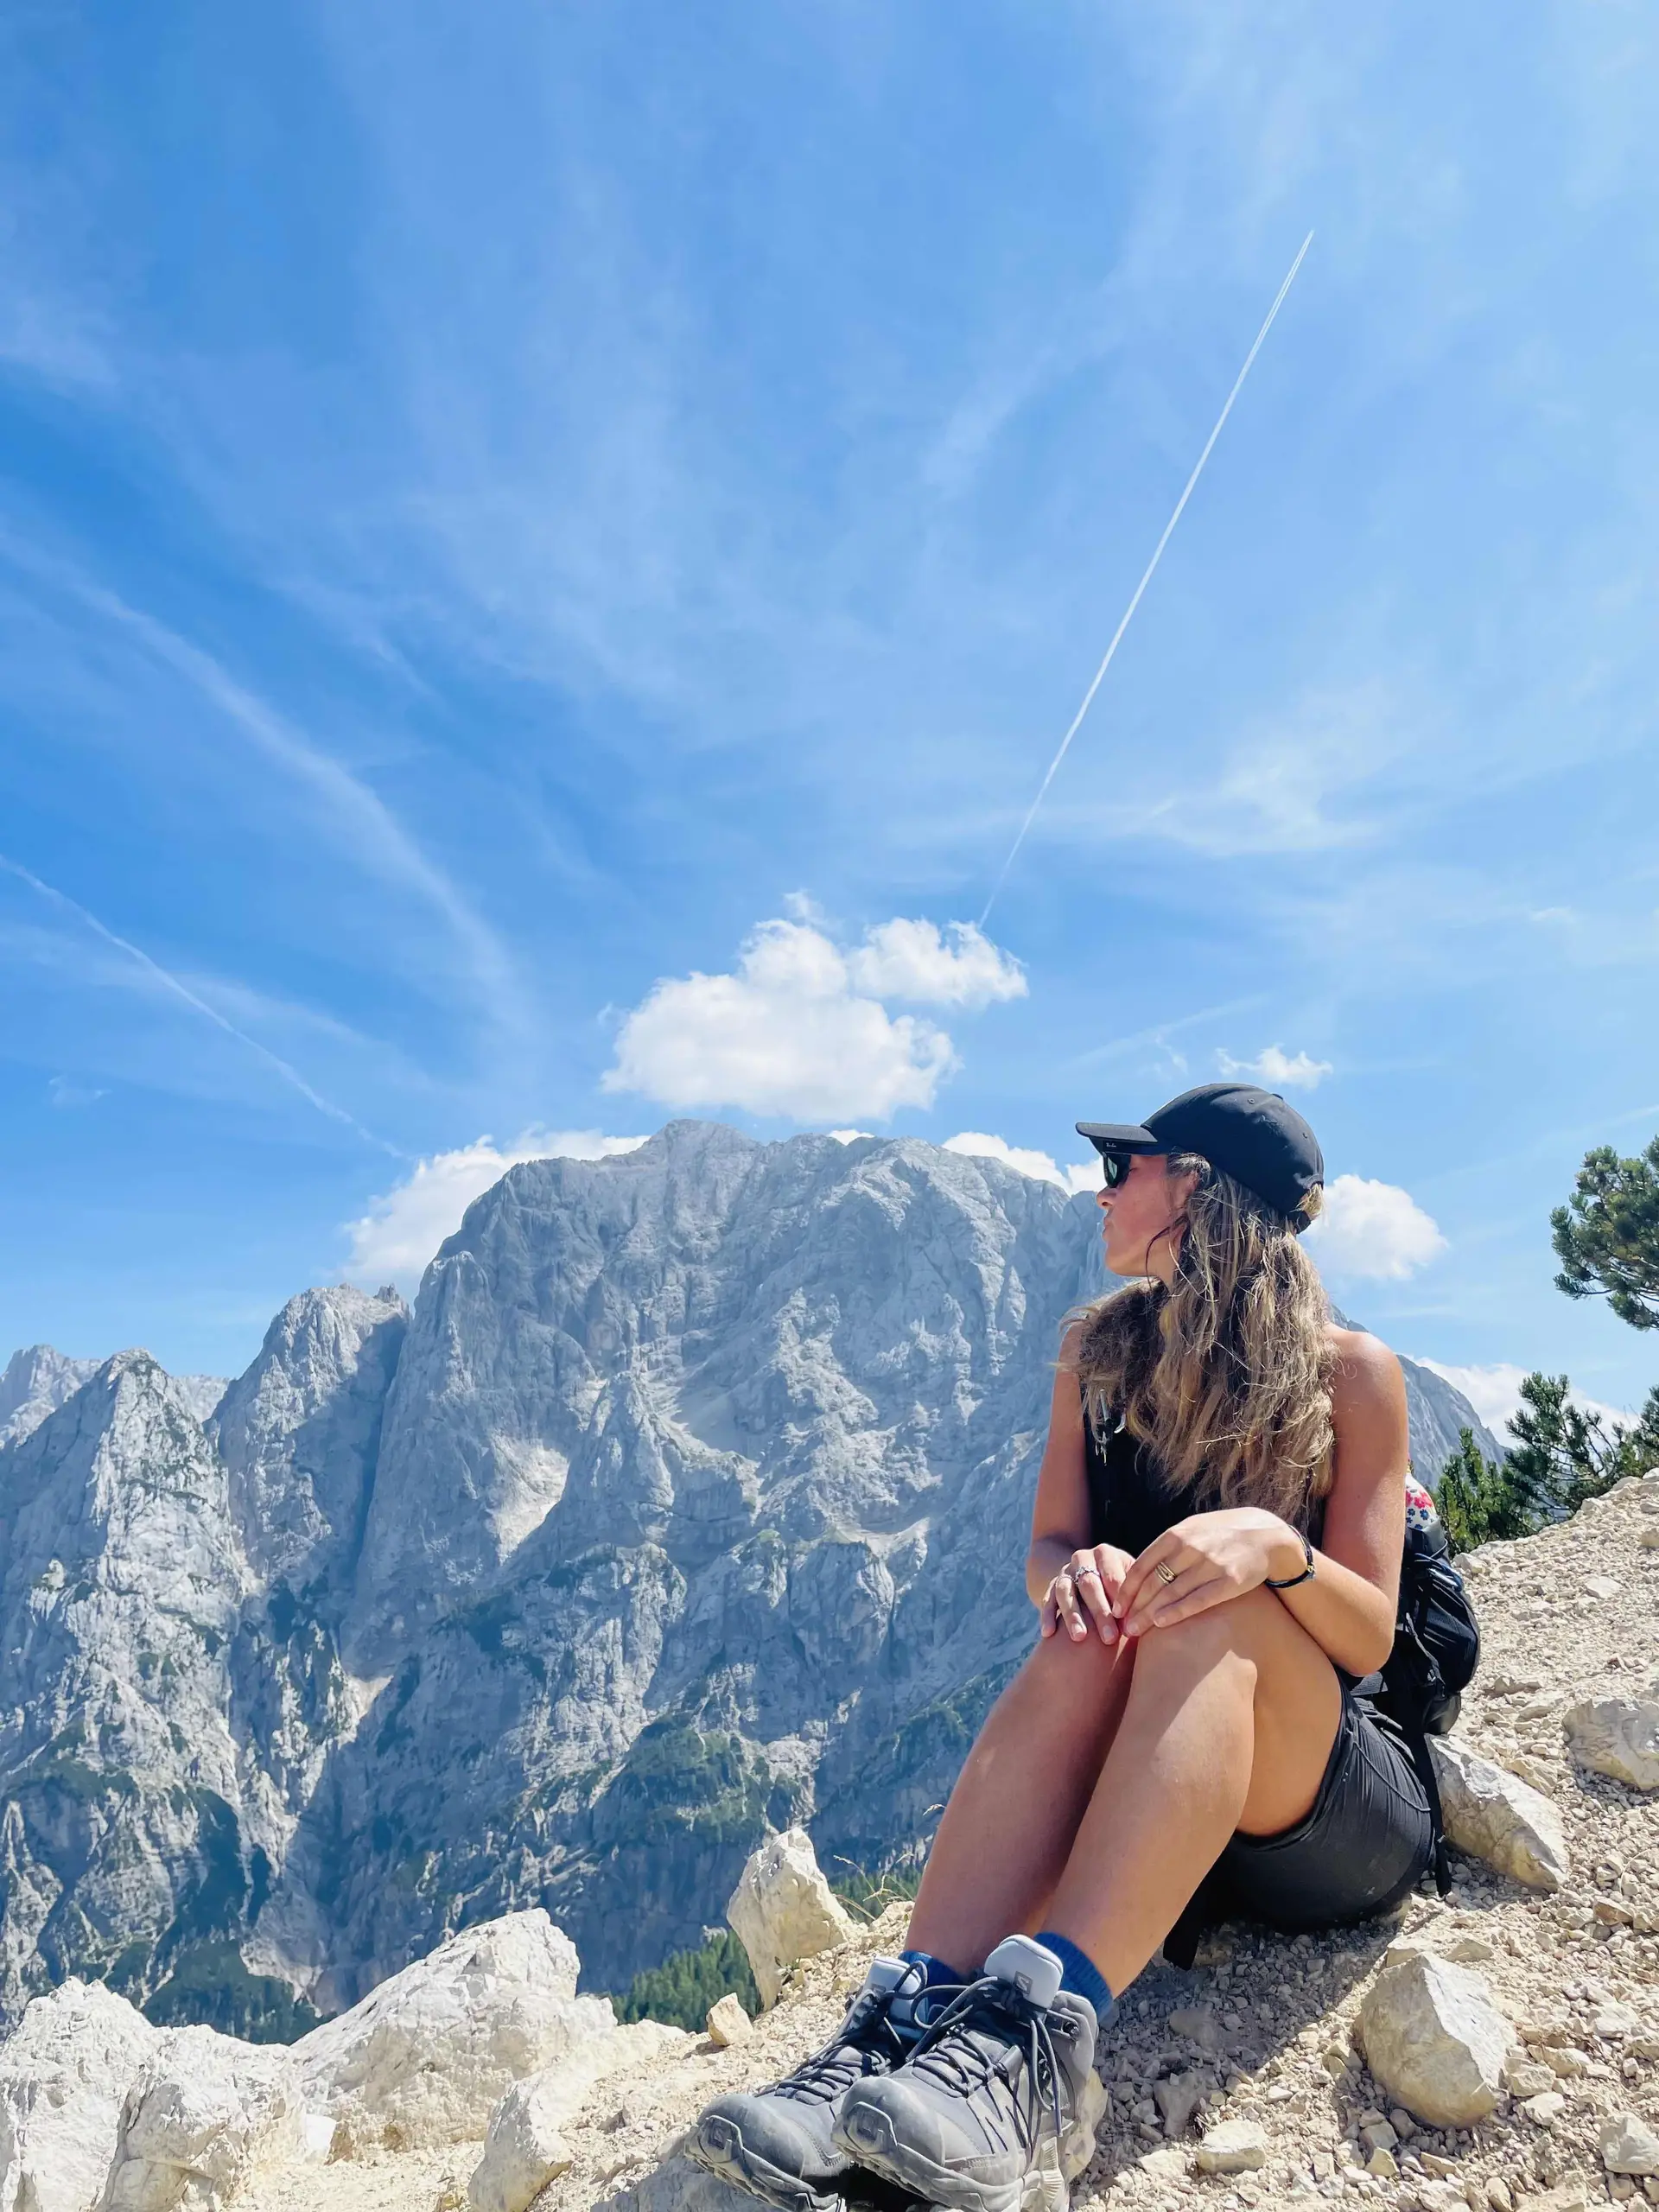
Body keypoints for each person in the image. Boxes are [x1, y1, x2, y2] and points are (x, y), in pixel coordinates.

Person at [690, 1084, 1433, 2212]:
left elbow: (1368, 1632)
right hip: (1170, 1812)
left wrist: (1272, 1549)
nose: (1100, 1193)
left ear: (1196, 1188)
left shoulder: (1352, 1373)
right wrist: (1075, 1573)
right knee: (1092, 1623)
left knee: (1209, 1609)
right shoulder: (1096, 1352)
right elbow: (1047, 1550)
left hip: (1331, 1814)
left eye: (1123, 1169)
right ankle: (899, 2022)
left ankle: (1034, 2058)